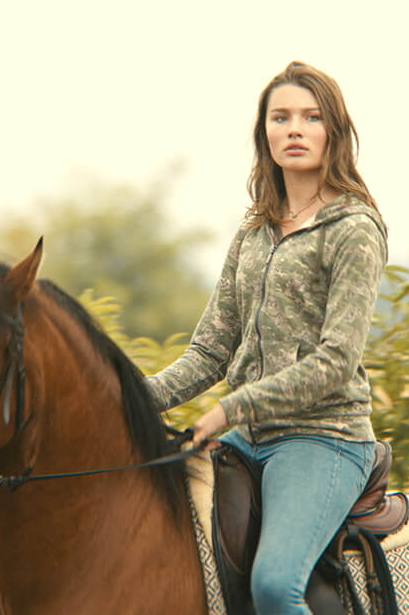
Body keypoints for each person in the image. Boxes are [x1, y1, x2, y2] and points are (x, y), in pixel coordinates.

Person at [145, 61, 388, 614]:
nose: (295, 129)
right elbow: (210, 349)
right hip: (244, 441)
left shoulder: (355, 230)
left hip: (322, 438)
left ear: (335, 132)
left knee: (275, 587)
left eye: (311, 117)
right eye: (281, 117)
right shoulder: (254, 230)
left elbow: (335, 360)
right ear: (265, 134)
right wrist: (130, 397)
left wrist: (231, 408)